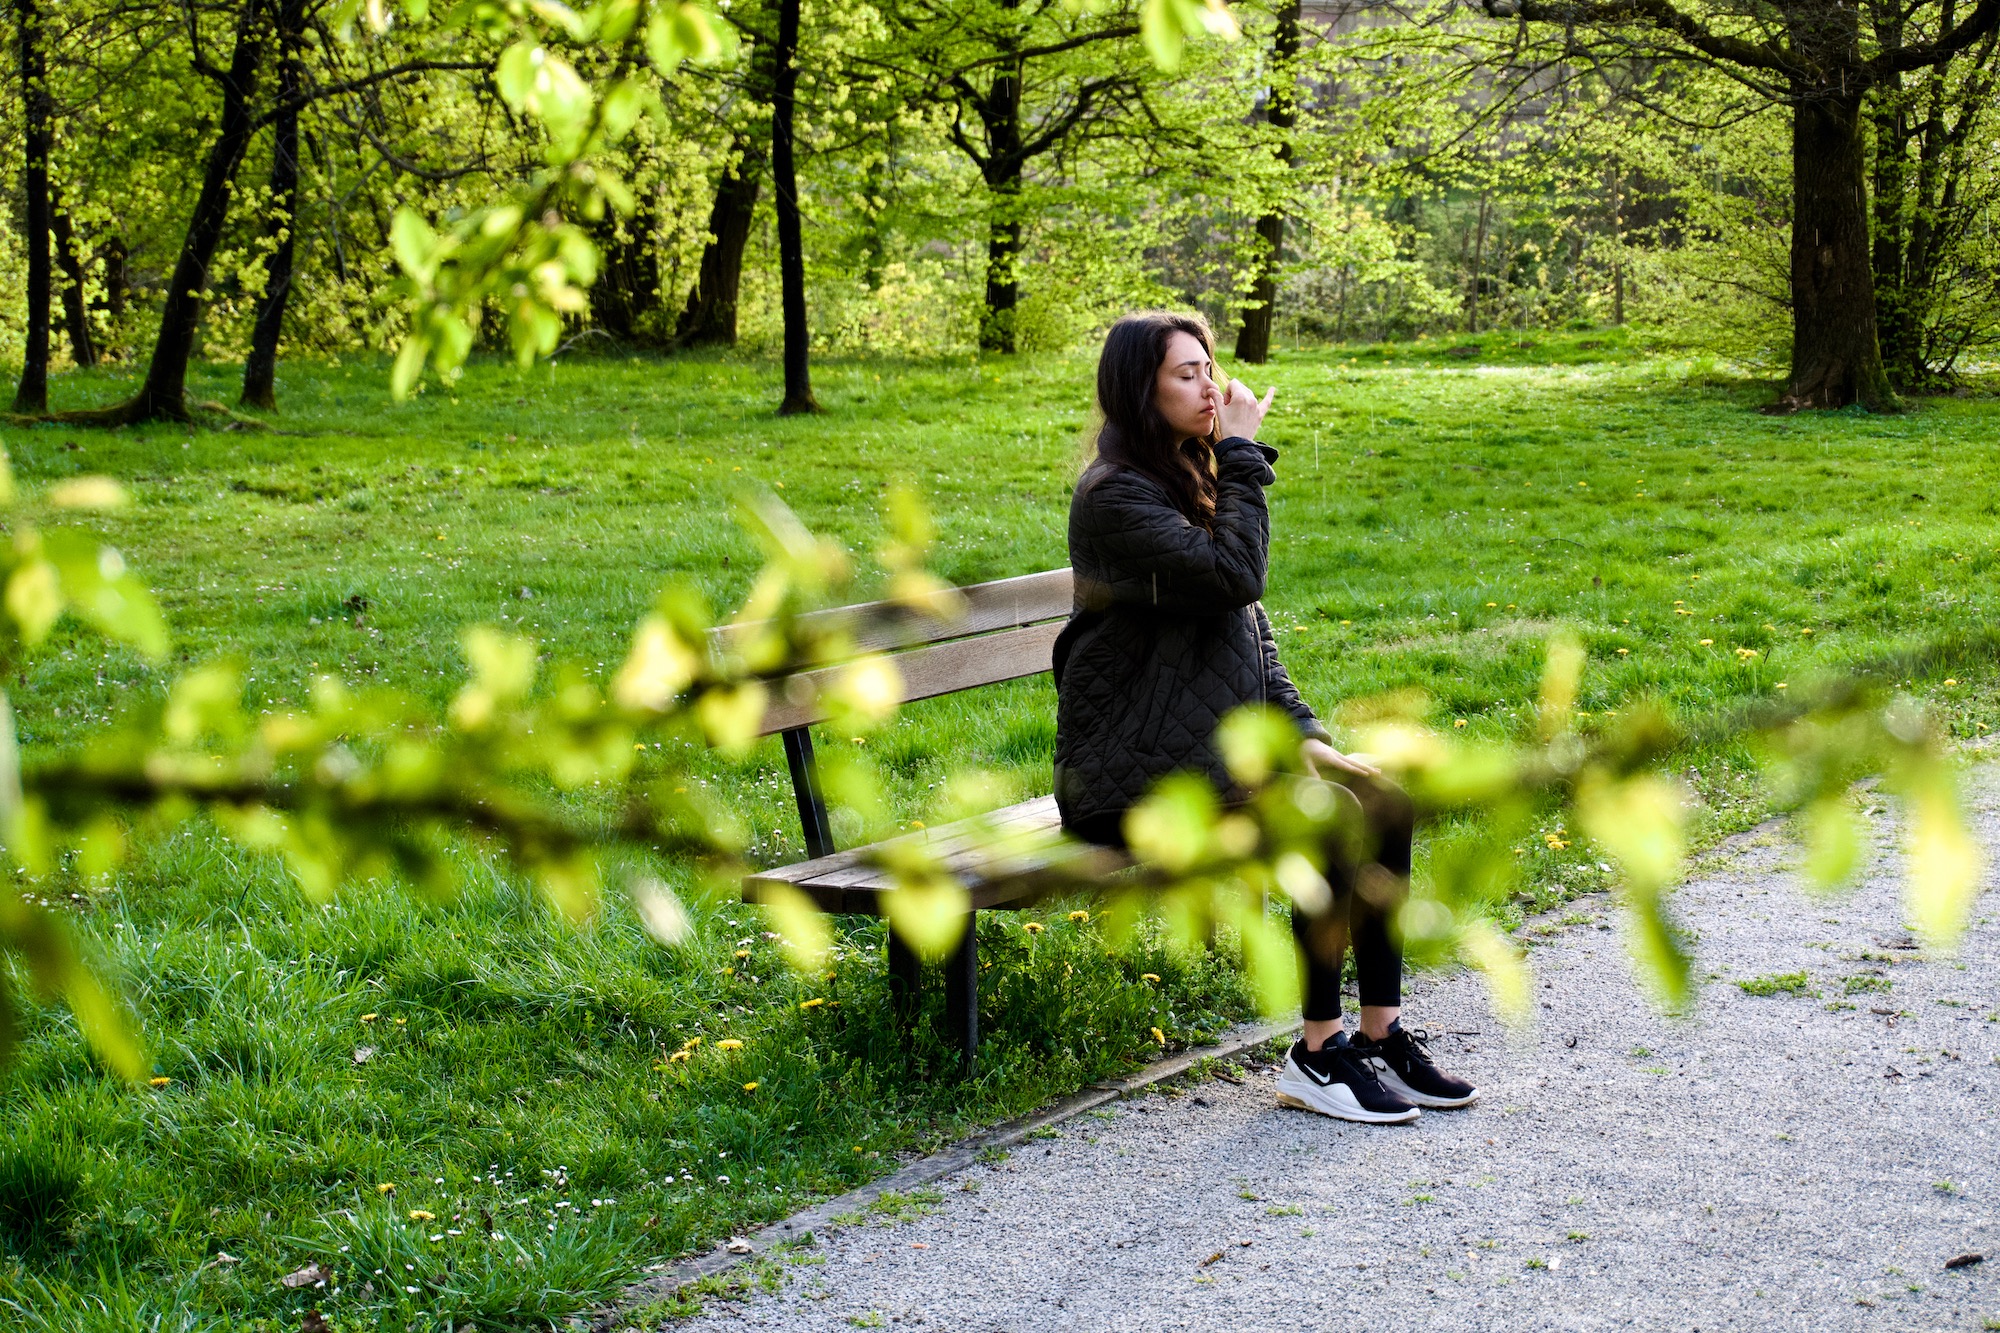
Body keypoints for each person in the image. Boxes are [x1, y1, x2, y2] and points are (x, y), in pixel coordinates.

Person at [1051, 310, 1478, 1125]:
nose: (1210, 385)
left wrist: (1308, 736)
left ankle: (1379, 1033)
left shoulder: (1186, 475)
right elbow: (1235, 575)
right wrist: (1242, 454)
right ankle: (1316, 1055)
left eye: (1210, 367)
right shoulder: (1114, 497)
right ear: (1138, 390)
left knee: (1379, 795)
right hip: (1129, 772)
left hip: (1206, 754)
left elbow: (1247, 634)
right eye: (1187, 373)